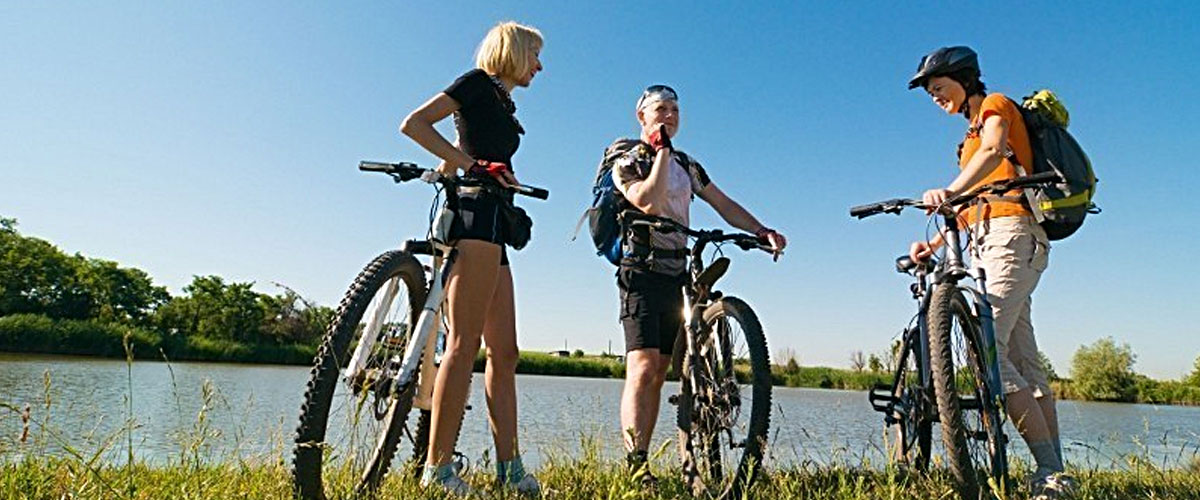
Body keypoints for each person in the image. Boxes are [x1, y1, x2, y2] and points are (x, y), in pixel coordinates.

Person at [906, 46, 1075, 499]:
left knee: (989, 353)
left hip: (1014, 236)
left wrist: (950, 189)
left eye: (940, 88)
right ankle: (1054, 473)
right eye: (931, 94)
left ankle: (1050, 473)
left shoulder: (997, 106)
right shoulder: (967, 142)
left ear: (964, 80)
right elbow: (970, 203)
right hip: (985, 241)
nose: (936, 98)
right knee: (1022, 361)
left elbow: (997, 149)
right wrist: (935, 243)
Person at [608, 84, 786, 486]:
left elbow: (723, 203)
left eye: (674, 109)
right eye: (660, 110)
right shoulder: (626, 158)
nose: (669, 116)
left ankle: (693, 453)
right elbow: (648, 201)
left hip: (677, 271)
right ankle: (637, 466)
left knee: (668, 369)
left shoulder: (689, 166)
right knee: (644, 366)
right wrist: (661, 152)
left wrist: (761, 230)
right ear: (642, 117)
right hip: (641, 270)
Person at [399, 21, 543, 496]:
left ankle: (509, 468)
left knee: (505, 352)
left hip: (497, 221)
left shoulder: (501, 102)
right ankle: (436, 470)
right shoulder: (476, 83)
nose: (539, 67)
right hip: (474, 217)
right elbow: (415, 124)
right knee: (463, 344)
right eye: (535, 56)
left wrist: (494, 172)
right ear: (516, 52)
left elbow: (464, 148)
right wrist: (473, 168)